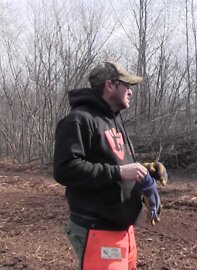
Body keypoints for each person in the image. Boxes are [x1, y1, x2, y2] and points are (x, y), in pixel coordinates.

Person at [53, 61, 161, 270]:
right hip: (97, 229)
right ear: (110, 85)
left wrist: (146, 172)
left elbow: (116, 161)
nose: (131, 92)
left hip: (122, 230)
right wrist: (119, 172)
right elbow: (65, 169)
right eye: (127, 85)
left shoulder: (113, 119)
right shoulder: (78, 120)